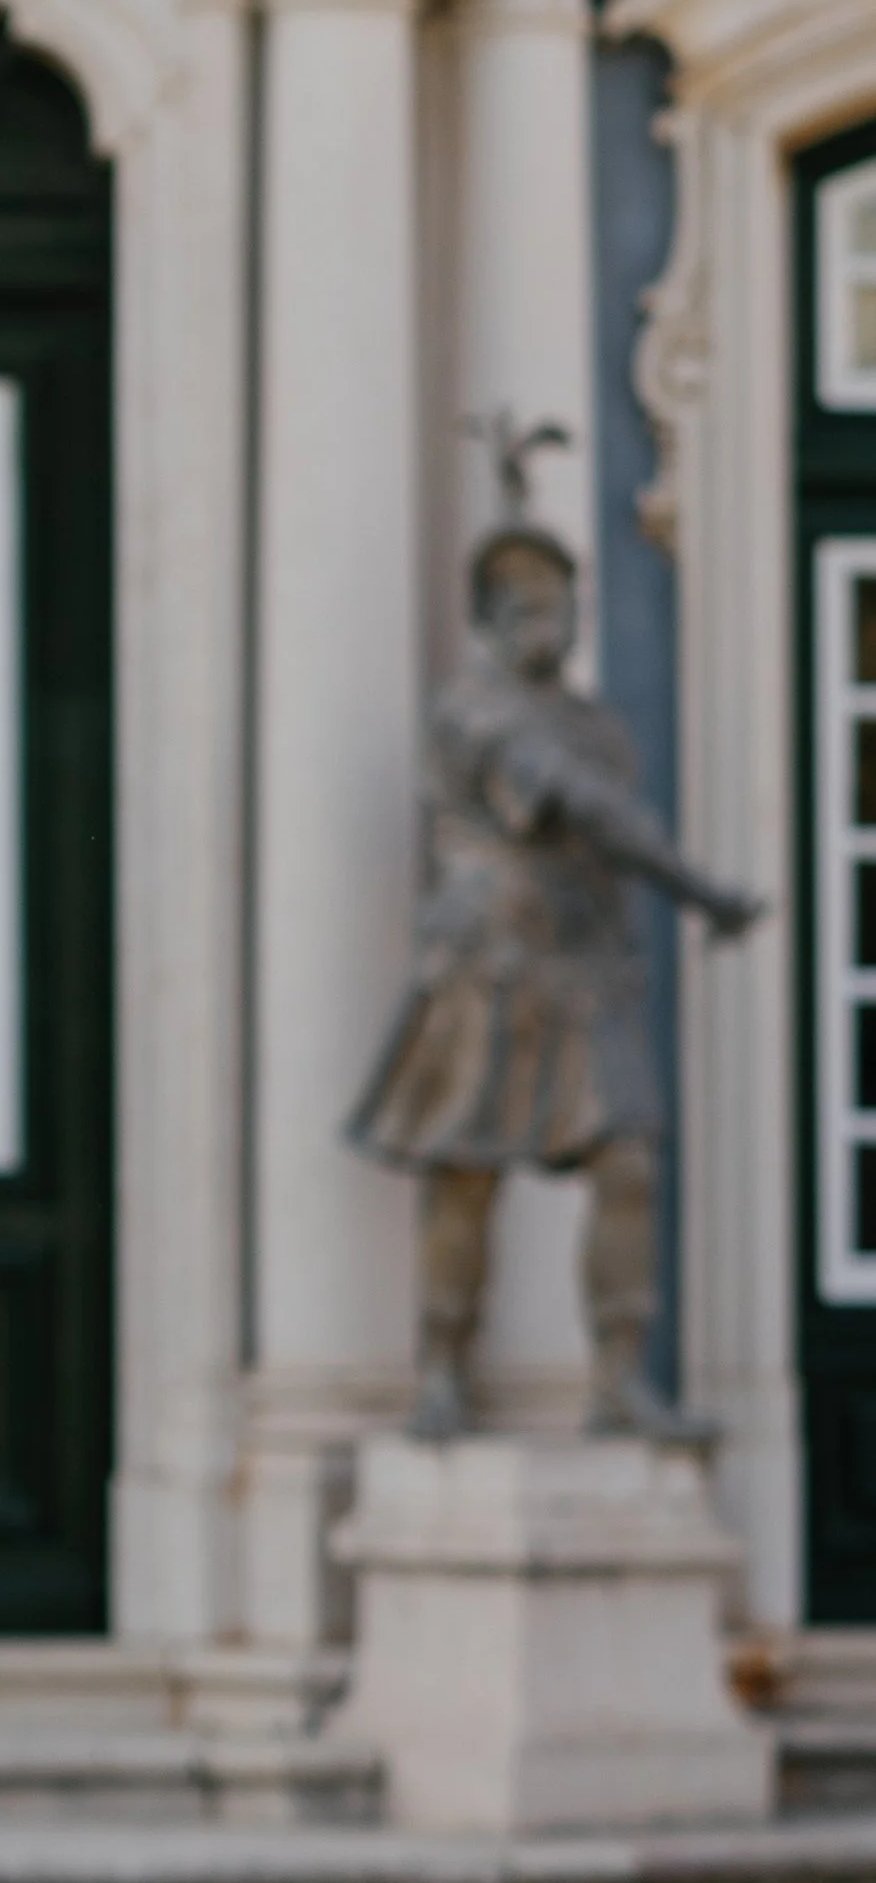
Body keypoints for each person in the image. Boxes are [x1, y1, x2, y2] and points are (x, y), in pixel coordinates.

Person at [345, 519, 762, 1441]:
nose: (552, 624)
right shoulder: (476, 709)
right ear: (492, 619)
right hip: (491, 970)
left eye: (563, 606)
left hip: (584, 971)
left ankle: (618, 1377)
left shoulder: (592, 720)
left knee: (629, 1164)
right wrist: (701, 891)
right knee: (467, 1176)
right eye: (529, 608)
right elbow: (583, 804)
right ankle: (444, 1370)